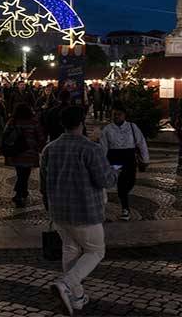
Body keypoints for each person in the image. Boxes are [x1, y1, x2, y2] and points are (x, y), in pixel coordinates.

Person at [40, 106, 118, 316]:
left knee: (71, 250)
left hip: (59, 211)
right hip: (85, 211)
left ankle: (77, 297)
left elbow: (43, 182)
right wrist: (114, 172)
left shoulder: (49, 148)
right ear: (82, 123)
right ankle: (66, 284)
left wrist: (48, 205)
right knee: (96, 251)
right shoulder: (90, 149)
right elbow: (105, 180)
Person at [99, 104, 149, 222]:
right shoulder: (107, 130)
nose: (116, 117)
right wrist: (103, 162)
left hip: (130, 158)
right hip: (115, 159)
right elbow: (103, 147)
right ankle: (125, 208)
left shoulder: (132, 127)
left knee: (131, 181)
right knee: (121, 182)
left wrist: (145, 159)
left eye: (119, 114)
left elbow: (141, 143)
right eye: (114, 114)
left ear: (124, 115)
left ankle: (123, 197)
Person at [4, 103, 46, 207]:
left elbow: (5, 134)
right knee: (25, 174)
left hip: (16, 152)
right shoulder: (34, 121)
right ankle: (20, 193)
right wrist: (39, 147)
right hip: (30, 152)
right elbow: (41, 136)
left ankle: (22, 192)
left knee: (20, 173)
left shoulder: (13, 121)